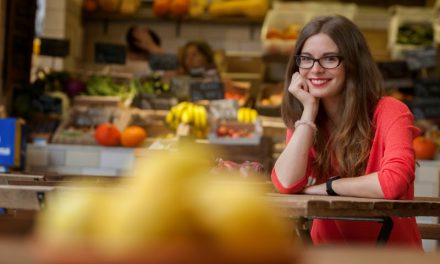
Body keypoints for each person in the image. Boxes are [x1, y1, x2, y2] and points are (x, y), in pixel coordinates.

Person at [271, 15, 422, 248]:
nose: (316, 69)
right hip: (328, 254)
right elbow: (286, 183)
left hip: (390, 255)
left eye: (330, 59)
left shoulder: (391, 111)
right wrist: (309, 110)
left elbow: (391, 183)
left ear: (353, 64)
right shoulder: (307, 122)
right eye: (307, 59)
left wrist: (327, 187)